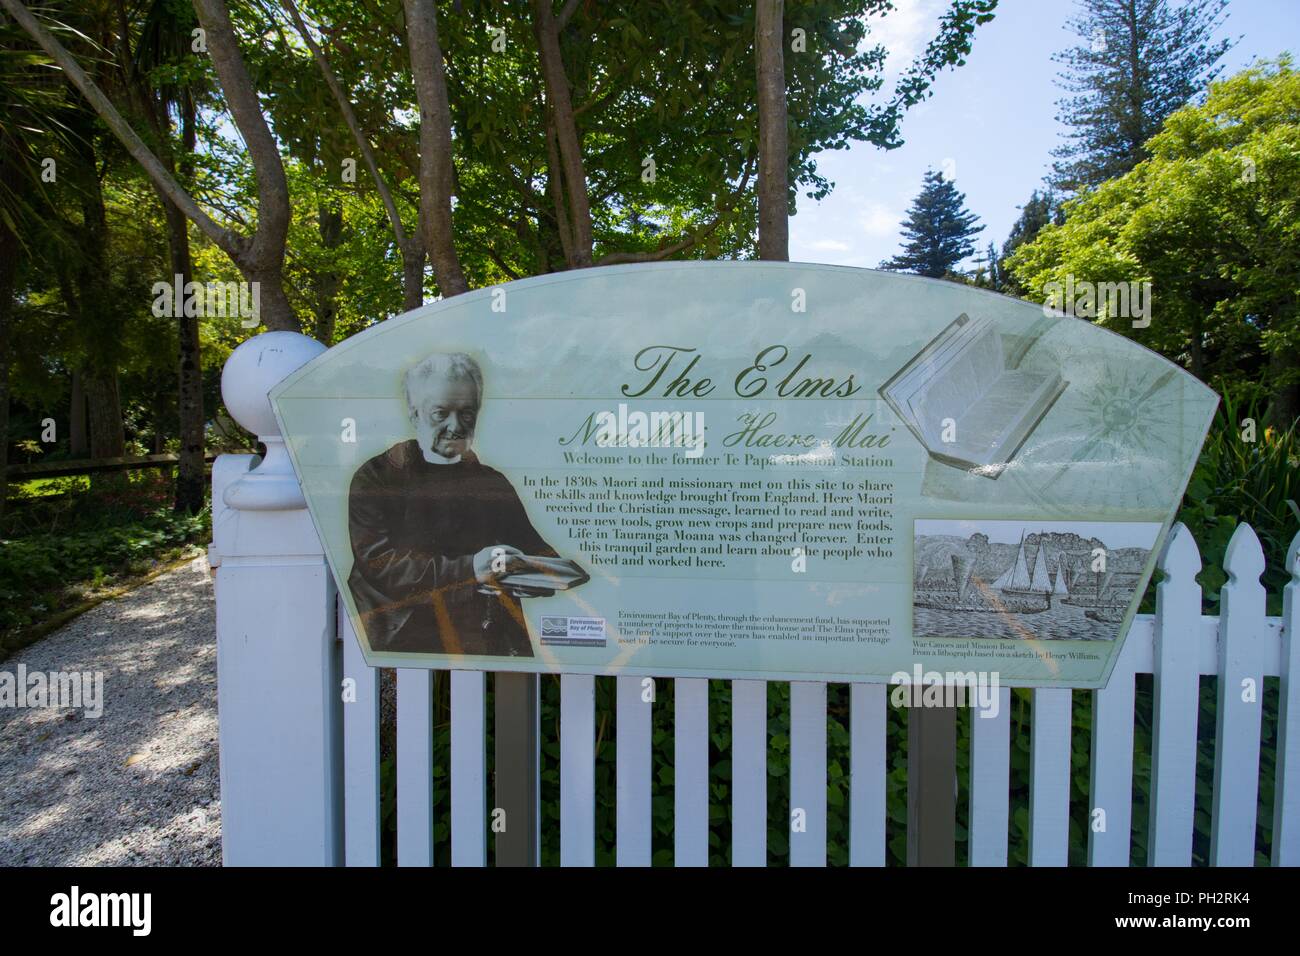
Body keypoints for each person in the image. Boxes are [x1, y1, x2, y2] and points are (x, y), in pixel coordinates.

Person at [347, 352, 555, 656]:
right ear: (415, 413)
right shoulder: (377, 478)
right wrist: (472, 568)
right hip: (403, 636)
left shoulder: (491, 482)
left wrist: (537, 575)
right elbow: (381, 564)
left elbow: (533, 548)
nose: (455, 426)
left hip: (485, 636)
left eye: (467, 414)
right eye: (440, 413)